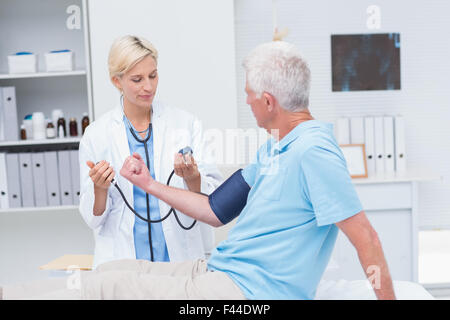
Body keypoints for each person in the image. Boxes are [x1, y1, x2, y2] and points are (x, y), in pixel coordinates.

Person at [1, 41, 395, 300]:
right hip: (218, 269)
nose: (247, 100)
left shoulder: (314, 152)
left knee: (103, 288)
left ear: (270, 101)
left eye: (250, 95)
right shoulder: (277, 149)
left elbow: (367, 238)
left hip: (243, 293)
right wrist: (148, 182)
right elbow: (215, 209)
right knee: (114, 268)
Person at [78, 35, 223, 268]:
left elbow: (213, 200)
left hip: (179, 259)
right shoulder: (96, 135)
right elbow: (93, 218)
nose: (148, 86)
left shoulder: (186, 124)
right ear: (117, 81)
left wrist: (193, 177)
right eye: (137, 79)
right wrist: (100, 188)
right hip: (124, 264)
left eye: (153, 76)